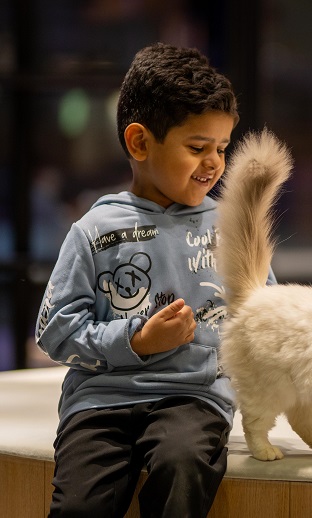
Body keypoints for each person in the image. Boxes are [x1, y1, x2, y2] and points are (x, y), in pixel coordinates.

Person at [35, 42, 272, 517]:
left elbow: (264, 317)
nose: (215, 164)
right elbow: (55, 330)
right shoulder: (94, 231)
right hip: (99, 401)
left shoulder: (233, 226)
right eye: (197, 147)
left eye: (222, 148)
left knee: (182, 465)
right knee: (80, 504)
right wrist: (137, 340)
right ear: (140, 142)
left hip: (194, 397)